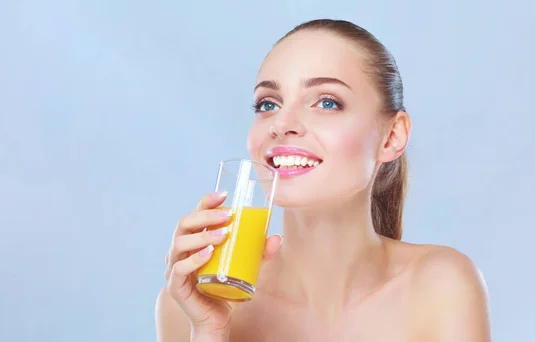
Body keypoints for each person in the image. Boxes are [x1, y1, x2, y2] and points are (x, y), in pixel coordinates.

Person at [156, 19, 491, 341]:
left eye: (327, 102)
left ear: (391, 137)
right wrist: (209, 333)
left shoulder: (442, 287)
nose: (282, 123)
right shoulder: (188, 306)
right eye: (268, 104)